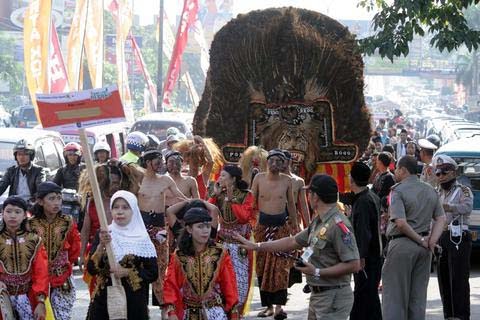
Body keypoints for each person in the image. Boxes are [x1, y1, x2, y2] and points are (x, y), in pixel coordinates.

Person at [235, 174, 361, 320]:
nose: (307, 197)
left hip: (332, 297)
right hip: (319, 296)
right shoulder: (319, 222)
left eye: (309, 193)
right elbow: (292, 241)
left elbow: (354, 264)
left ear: (316, 197)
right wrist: (256, 246)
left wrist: (317, 271)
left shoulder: (338, 225)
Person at [382, 155, 446, 320]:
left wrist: (420, 239)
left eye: (396, 168)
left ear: (403, 170)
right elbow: (441, 218)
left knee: (395, 298)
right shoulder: (430, 190)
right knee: (417, 299)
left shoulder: (398, 190)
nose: (395, 171)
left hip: (402, 244)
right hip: (424, 249)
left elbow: (401, 223)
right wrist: (431, 241)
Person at [86, 190, 158, 319]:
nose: (119, 211)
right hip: (104, 300)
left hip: (134, 302)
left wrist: (127, 272)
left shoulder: (142, 239)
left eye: (125, 207)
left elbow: (152, 273)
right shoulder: (104, 234)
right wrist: (101, 246)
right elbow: (91, 269)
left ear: (133, 210)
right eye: (115, 207)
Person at [163, 207, 240, 319]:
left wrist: (233, 312)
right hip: (189, 313)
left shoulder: (219, 253)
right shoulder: (179, 255)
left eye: (208, 226)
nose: (205, 230)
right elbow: (171, 284)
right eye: (200, 226)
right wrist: (172, 312)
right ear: (189, 229)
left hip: (215, 312)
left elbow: (229, 284)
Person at [137, 149, 186, 312]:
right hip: (141, 229)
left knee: (161, 267)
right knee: (138, 268)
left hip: (159, 228)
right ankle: (139, 308)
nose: (160, 165)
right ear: (147, 163)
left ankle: (165, 310)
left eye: (161, 162)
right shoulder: (137, 178)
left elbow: (180, 197)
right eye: (157, 162)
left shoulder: (165, 179)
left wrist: (196, 205)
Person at [251, 149, 297, 319]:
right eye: (272, 160)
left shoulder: (287, 180)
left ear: (284, 164)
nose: (275, 164)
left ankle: (279, 307)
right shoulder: (258, 178)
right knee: (262, 266)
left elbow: (291, 204)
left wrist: (294, 224)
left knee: (280, 268)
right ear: (267, 161)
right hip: (262, 228)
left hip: (281, 228)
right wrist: (250, 223)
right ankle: (268, 306)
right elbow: (252, 202)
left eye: (280, 161)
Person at [29, 181, 81, 320]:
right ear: (40, 201)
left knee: (62, 316)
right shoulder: (30, 224)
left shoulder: (68, 221)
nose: (57, 202)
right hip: (37, 280)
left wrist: (63, 265)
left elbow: (74, 249)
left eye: (59, 198)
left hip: (61, 278)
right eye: (51, 198)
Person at [209, 165, 255, 315]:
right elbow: (207, 211)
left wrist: (231, 199)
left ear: (233, 179)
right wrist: (215, 196)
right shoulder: (219, 195)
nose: (219, 179)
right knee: (221, 280)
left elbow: (244, 217)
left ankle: (237, 313)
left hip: (240, 244)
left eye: (223, 176)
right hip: (222, 243)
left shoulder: (246, 195)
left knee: (239, 281)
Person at [433, 155, 473, 320]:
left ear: (453, 173)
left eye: (444, 172)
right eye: (438, 173)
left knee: (458, 278)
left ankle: (461, 315)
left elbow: (467, 207)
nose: (441, 176)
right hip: (442, 237)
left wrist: (448, 207)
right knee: (443, 278)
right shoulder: (437, 193)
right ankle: (448, 314)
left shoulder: (463, 190)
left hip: (458, 237)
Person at [0, 196, 49, 320]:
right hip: (2, 297)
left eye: (17, 212)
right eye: (8, 211)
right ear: (2, 213)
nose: (12, 216)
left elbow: (41, 272)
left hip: (28, 297)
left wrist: (40, 302)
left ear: (24, 216)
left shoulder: (34, 240)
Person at [347, 162, 382, 320]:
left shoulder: (363, 201)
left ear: (352, 179)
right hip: (374, 255)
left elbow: (363, 232)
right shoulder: (370, 196)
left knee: (364, 298)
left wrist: (360, 257)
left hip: (367, 258)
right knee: (370, 298)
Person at [0, 139, 46, 203]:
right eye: (19, 154)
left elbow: (41, 189)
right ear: (16, 157)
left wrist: (33, 201)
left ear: (31, 156)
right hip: (14, 204)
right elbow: (2, 186)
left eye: (25, 154)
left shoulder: (39, 171)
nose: (21, 157)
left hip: (32, 205)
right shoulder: (11, 171)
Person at [281, 150, 310, 228]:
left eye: (283, 160)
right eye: (279, 160)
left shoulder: (299, 181)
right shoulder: (273, 179)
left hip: (292, 218)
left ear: (289, 161)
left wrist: (309, 226)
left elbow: (304, 205)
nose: (281, 162)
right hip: (276, 217)